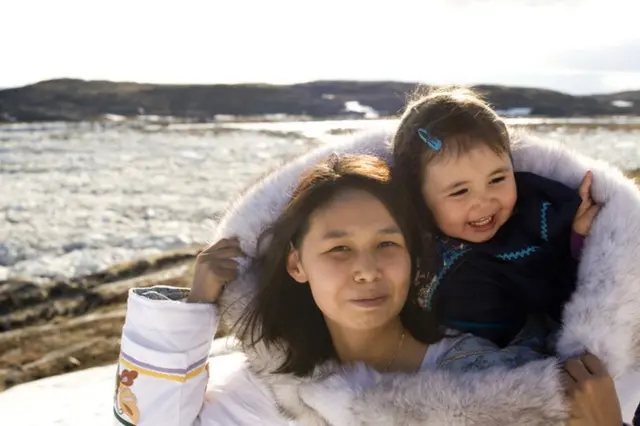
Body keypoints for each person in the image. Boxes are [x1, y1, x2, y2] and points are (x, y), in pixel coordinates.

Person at [112, 153, 626, 426]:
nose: (366, 270)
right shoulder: (275, 386)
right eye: (338, 249)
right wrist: (198, 306)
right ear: (296, 263)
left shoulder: (483, 379)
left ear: (414, 258)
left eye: (387, 244)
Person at [392, 86, 602, 347]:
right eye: (460, 191)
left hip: (526, 353)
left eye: (497, 179)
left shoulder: (532, 222)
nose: (484, 202)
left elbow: (561, 290)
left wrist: (577, 237)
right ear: (418, 197)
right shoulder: (400, 240)